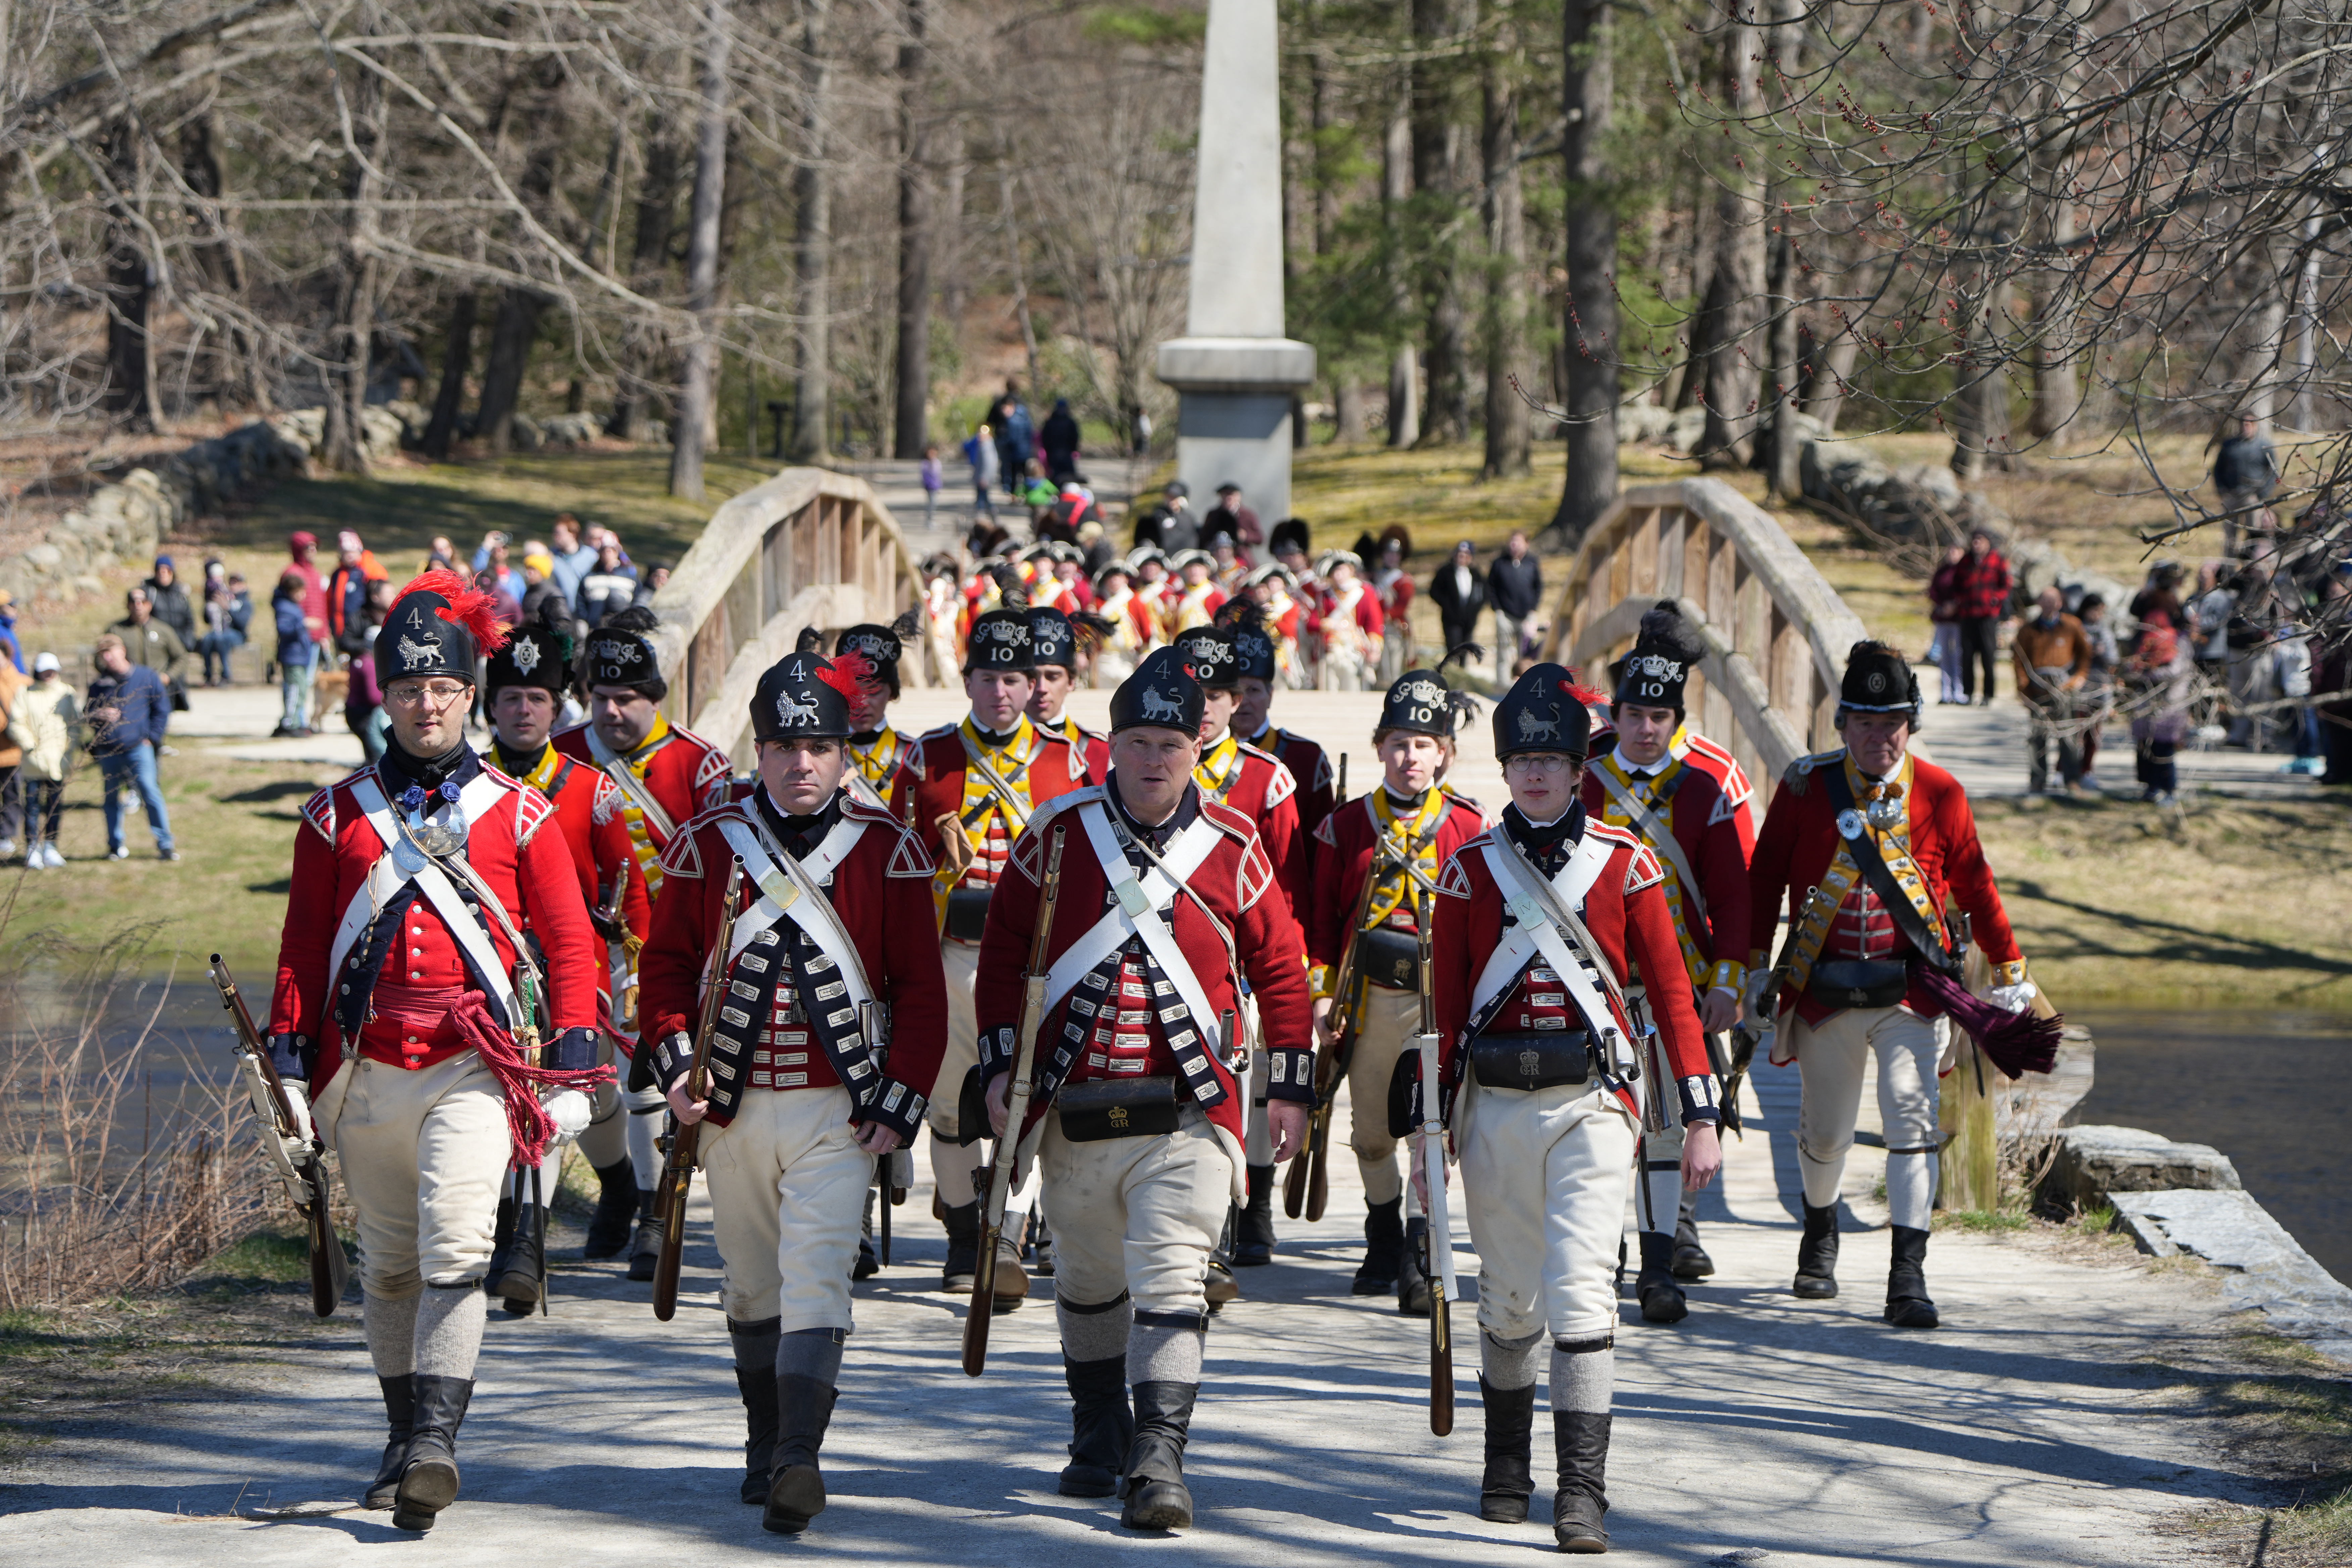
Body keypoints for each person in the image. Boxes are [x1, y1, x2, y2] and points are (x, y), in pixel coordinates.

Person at [264, 571, 606, 1532]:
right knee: (391, 1266)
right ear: (387, 695)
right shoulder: (334, 817)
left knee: (460, 1243)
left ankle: (436, 1447)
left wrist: (576, 1061)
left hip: (474, 1062)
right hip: (365, 1067)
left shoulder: (520, 813)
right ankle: (400, 1431)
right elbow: (302, 944)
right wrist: (290, 1060)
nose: (427, 706)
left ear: (470, 695)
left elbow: (571, 942)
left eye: (445, 691)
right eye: (410, 690)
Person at [972, 644, 1315, 1531]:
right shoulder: (1056, 836)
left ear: (1197, 750)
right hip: (1076, 1098)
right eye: (1136, 742)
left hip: (1190, 1105)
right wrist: (1003, 1067)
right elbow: (1006, 955)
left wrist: (1290, 1087)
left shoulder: (1234, 846)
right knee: (1087, 1282)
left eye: (1170, 743)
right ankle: (1098, 1433)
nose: (1153, 760)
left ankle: (1160, 1453)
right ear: (1109, 746)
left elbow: (1280, 969)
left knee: (1172, 1276)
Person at [639, 645, 949, 1533]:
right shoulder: (707, 844)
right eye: (782, 747)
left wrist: (901, 1100)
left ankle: (797, 1460)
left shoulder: (887, 851)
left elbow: (920, 993)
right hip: (732, 1110)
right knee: (749, 1286)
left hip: (835, 1114)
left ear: (845, 751)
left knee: (818, 1277)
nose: (800, 763)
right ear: (760, 751)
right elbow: (663, 973)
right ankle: (765, 1439)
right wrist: (673, 1064)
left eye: (817, 747)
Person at [1428, 661, 1720, 1550]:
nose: (1538, 773)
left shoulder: (1626, 867)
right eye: (1522, 758)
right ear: (1505, 767)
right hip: (1492, 1106)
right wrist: (1427, 1130)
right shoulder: (1468, 872)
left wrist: (1702, 1116)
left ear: (1577, 766)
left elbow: (1672, 997)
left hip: (1596, 1101)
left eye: (1552, 757)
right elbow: (1442, 1014)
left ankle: (1582, 1492)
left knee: (1583, 1288)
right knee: (1510, 1297)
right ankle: (1506, 1466)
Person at [1747, 641, 2043, 1330]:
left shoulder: (1941, 794)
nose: (1880, 738)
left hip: (1912, 990)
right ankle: (1819, 1232)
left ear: (1910, 725)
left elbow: (1976, 884)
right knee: (1826, 1133)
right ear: (1843, 725)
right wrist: (1754, 963)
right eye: (1866, 724)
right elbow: (1764, 881)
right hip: (1823, 989)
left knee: (1911, 1122)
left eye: (1893, 724)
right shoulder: (1803, 790)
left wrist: (2009, 967)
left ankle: (1907, 1274)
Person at [887, 608, 1087, 1302]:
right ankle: (963, 1233)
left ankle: (1007, 1230)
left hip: (1040, 962)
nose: (1000, 691)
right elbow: (896, 866)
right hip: (952, 955)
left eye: (1013, 678)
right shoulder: (926, 757)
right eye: (986, 677)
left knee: (1028, 1098)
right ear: (965, 679)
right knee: (949, 1103)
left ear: (1033, 683)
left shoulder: (1076, 761)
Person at [1583, 605, 1755, 1323]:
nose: (1646, 726)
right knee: (1594, 1126)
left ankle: (1659, 1260)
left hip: (1671, 985)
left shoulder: (1709, 781)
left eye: (1660, 714)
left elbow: (1734, 892)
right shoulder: (1579, 770)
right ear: (1613, 712)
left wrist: (1728, 981)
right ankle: (1600, 1253)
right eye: (1634, 713)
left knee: (1664, 1125)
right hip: (1590, 981)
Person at [552, 606, 733, 1278]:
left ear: (653, 698)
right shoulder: (565, 753)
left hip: (670, 945)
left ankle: (658, 1211)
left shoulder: (699, 763)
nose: (611, 711)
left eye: (626, 698)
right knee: (582, 1075)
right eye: (600, 697)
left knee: (659, 1076)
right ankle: (618, 1186)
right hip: (580, 945)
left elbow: (723, 863)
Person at [1306, 658, 1485, 1306]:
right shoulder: (1346, 826)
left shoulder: (1469, 828)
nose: (1411, 758)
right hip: (1371, 1000)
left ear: (1446, 755)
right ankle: (1381, 1232)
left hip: (1439, 1004)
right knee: (1374, 1134)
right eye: (1400, 744)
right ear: (1380, 747)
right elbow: (1320, 920)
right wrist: (1321, 993)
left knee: (1430, 1129)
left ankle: (1417, 1247)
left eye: (1426, 746)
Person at [478, 621, 650, 1297]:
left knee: (562, 1094)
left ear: (559, 708)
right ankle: (525, 1215)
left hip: (575, 964)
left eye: (538, 698)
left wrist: (633, 965)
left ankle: (524, 1239)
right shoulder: (467, 788)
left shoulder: (593, 789)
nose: (524, 710)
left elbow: (626, 881)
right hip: (490, 968)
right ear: (491, 705)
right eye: (512, 696)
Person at [1168, 622, 1309, 1294]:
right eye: (1193, 689)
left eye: (1220, 692)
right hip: (1167, 961)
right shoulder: (1152, 758)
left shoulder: (1266, 776)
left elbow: (1287, 876)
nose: (1206, 706)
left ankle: (1250, 1211)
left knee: (1248, 1094)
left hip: (1244, 964)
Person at [1225, 600, 1337, 842]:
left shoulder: (1307, 759)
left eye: (1253, 691)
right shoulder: (1196, 756)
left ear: (1270, 696)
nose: (1243, 702)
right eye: (1235, 693)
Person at [86, 634, 176, 861]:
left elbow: (162, 709)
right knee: (111, 798)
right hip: (109, 751)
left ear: (122, 651)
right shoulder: (99, 685)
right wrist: (99, 715)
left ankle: (165, 844)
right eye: (103, 654)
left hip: (139, 747)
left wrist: (152, 738)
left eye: (111, 651)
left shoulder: (146, 677)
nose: (108, 657)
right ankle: (115, 846)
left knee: (149, 791)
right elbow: (87, 715)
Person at [2011, 586, 2092, 795]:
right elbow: (2019, 660)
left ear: (2060, 603)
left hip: (2065, 689)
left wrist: (2079, 677)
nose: (2049, 605)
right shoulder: (2028, 630)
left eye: (2053, 601)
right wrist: (2024, 687)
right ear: (2038, 603)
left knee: (2069, 737)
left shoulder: (2072, 625)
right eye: (2044, 600)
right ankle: (2037, 781)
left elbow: (2085, 653)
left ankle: (2072, 780)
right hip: (2038, 689)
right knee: (2038, 737)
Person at [1026, 605, 1113, 782]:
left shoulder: (1098, 751)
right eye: (1032, 677)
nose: (1042, 688)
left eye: (1053, 677)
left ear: (1071, 682)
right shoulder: (992, 743)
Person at [9, 653, 76, 868]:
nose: (48, 675)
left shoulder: (66, 692)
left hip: (58, 762)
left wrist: (69, 750)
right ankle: (32, 847)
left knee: (55, 806)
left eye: (52, 670)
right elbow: (17, 722)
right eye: (44, 671)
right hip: (32, 763)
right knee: (32, 806)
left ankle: (51, 846)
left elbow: (74, 725)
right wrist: (30, 745)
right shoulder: (26, 693)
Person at [1948, 528, 2011, 704]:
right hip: (1968, 616)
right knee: (1967, 656)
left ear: (1988, 542)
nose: (1977, 544)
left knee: (1988, 656)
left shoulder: (1997, 560)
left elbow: (2006, 585)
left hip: (1988, 617)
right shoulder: (1965, 561)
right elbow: (1956, 585)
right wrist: (1960, 601)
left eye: (1980, 540)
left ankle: (1988, 695)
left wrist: (1995, 599)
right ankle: (1968, 693)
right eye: (1974, 541)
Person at [2212, 412, 2279, 557]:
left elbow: (2274, 472)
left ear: (2255, 426)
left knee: (2254, 533)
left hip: (2253, 497)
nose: (2246, 427)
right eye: (2244, 424)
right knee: (2230, 537)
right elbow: (2218, 469)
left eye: (2250, 424)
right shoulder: (2229, 445)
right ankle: (2229, 569)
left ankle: (2252, 565)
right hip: (2232, 496)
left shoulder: (2264, 446)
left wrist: (2264, 493)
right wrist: (2222, 489)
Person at [1314, 551, 1382, 691]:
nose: (1338, 575)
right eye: (1334, 572)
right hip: (1331, 650)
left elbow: (1374, 623)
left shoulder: (1365, 592)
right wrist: (1330, 624)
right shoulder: (1324, 594)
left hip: (1355, 650)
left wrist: (1375, 646)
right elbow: (1313, 623)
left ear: (1351, 570)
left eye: (1342, 570)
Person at [107, 586, 193, 698]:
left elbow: (182, 657)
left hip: (157, 691)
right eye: (134, 602)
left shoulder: (164, 630)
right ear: (128, 605)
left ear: (149, 605)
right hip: (126, 691)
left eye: (143, 602)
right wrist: (117, 670)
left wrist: (168, 676)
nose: (138, 606)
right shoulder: (116, 630)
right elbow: (100, 659)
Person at [346, 580, 393, 766]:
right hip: (362, 714)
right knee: (377, 755)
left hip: (359, 711)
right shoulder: (367, 663)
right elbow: (374, 697)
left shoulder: (366, 661)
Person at [1487, 531, 1544, 682]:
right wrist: (1497, 610)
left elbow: (1538, 587)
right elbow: (1491, 588)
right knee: (1503, 652)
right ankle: (1503, 685)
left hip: (1527, 616)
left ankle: (1525, 683)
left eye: (1518, 542)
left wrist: (1533, 610)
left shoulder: (1532, 562)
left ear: (1526, 544)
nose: (1514, 545)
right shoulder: (1499, 563)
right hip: (1505, 615)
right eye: (1512, 542)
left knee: (1525, 654)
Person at [2076, 594, 2116, 789]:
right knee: (2075, 732)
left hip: (2100, 686)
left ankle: (2087, 770)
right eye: (2095, 610)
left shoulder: (2105, 632)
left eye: (2101, 611)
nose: (2098, 615)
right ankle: (2064, 769)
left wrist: (2102, 652)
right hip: (2079, 685)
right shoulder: (2076, 628)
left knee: (2094, 733)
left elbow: (2114, 659)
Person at [272, 570, 319, 737]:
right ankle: (289, 723)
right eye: (300, 591)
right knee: (294, 690)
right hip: (292, 656)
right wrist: (303, 624)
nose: (304, 595)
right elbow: (283, 629)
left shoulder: (293, 606)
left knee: (301, 689)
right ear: (292, 591)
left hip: (300, 655)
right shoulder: (284, 607)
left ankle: (297, 721)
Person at [329, 531, 390, 647]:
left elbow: (382, 592)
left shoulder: (368, 570)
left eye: (354, 552)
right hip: (341, 625)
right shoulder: (337, 574)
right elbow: (330, 599)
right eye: (346, 553)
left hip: (362, 623)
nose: (350, 556)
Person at [1091, 562, 1149, 684]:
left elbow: (1146, 629)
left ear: (1126, 579)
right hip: (1105, 657)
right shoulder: (1098, 602)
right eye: (1111, 578)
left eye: (1118, 577)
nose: (1115, 581)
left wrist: (1145, 653)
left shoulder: (1134, 600)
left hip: (1128, 657)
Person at [1430, 540, 1490, 657]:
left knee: (1466, 649)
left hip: (1469, 619)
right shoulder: (1446, 572)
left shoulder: (1476, 574)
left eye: (1466, 554)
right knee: (1453, 648)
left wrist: (1475, 609)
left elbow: (1484, 594)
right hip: (1451, 619)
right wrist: (1447, 605)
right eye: (1459, 554)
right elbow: (1434, 592)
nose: (1462, 557)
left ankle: (1463, 668)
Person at [199, 561, 253, 686]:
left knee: (222, 639)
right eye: (231, 582)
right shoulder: (224, 596)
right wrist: (210, 605)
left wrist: (227, 609)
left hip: (238, 635)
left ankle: (226, 676)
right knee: (207, 639)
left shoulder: (246, 603)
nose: (233, 585)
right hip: (219, 631)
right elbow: (207, 621)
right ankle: (208, 675)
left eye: (237, 582)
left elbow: (242, 623)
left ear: (244, 584)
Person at [1926, 544, 1967, 704]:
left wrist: (1956, 605)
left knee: (1959, 655)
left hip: (1959, 620)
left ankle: (1960, 691)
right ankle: (1945, 692)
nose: (1953, 554)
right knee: (1944, 656)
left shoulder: (1965, 572)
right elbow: (1933, 591)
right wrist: (1943, 606)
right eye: (1951, 551)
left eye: (1957, 551)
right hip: (1943, 619)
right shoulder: (1942, 572)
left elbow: (1966, 592)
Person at [1372, 538, 1415, 685]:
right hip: (1376, 626)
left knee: (1395, 668)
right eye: (1388, 554)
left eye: (1395, 554)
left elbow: (1402, 606)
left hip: (1394, 627)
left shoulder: (1404, 580)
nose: (1391, 557)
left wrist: (1386, 616)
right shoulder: (1376, 577)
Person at [1159, 550, 1227, 638]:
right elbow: (1169, 628)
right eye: (1190, 567)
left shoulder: (1216, 594)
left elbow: (1224, 624)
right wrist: (1170, 612)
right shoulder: (1179, 596)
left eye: (1199, 567)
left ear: (1207, 570)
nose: (1194, 571)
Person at [144, 555, 198, 650]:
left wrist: (188, 641)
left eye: (167, 571)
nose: (163, 574)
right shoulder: (150, 593)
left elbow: (190, 621)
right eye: (160, 571)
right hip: (158, 643)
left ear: (172, 573)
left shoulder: (181, 595)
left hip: (181, 642)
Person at [1134, 481, 1198, 555]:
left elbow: (1191, 541)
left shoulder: (1188, 519)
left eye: (1174, 497)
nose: (1171, 500)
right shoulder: (1157, 515)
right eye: (1169, 496)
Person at [548, 516, 596, 606]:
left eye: (559, 534)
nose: (555, 537)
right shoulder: (551, 557)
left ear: (573, 534)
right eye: (554, 533)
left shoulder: (591, 556)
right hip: (560, 611)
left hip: (584, 611)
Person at [1205, 481, 1263, 553]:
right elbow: (1204, 536)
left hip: (1240, 554)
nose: (1229, 498)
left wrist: (1246, 536)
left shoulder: (1247, 515)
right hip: (1217, 553)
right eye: (1225, 495)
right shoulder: (1213, 515)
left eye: (1232, 495)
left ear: (1239, 497)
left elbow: (1260, 538)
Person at [964, 423, 1001, 521]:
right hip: (981, 476)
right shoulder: (983, 445)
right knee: (984, 497)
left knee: (982, 499)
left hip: (984, 478)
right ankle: (991, 515)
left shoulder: (987, 446)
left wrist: (984, 478)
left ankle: (981, 518)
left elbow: (988, 464)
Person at [1042, 397, 1083, 483]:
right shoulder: (1069, 422)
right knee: (1062, 476)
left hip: (1060, 453)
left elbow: (1075, 438)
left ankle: (1064, 493)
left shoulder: (1052, 422)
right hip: (1059, 453)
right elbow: (1045, 438)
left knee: (1063, 476)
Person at [920, 444, 943, 530]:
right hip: (930, 487)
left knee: (934, 504)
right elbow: (925, 476)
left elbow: (938, 475)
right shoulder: (925, 464)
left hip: (936, 487)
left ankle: (932, 520)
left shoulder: (937, 462)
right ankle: (929, 521)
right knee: (931, 504)